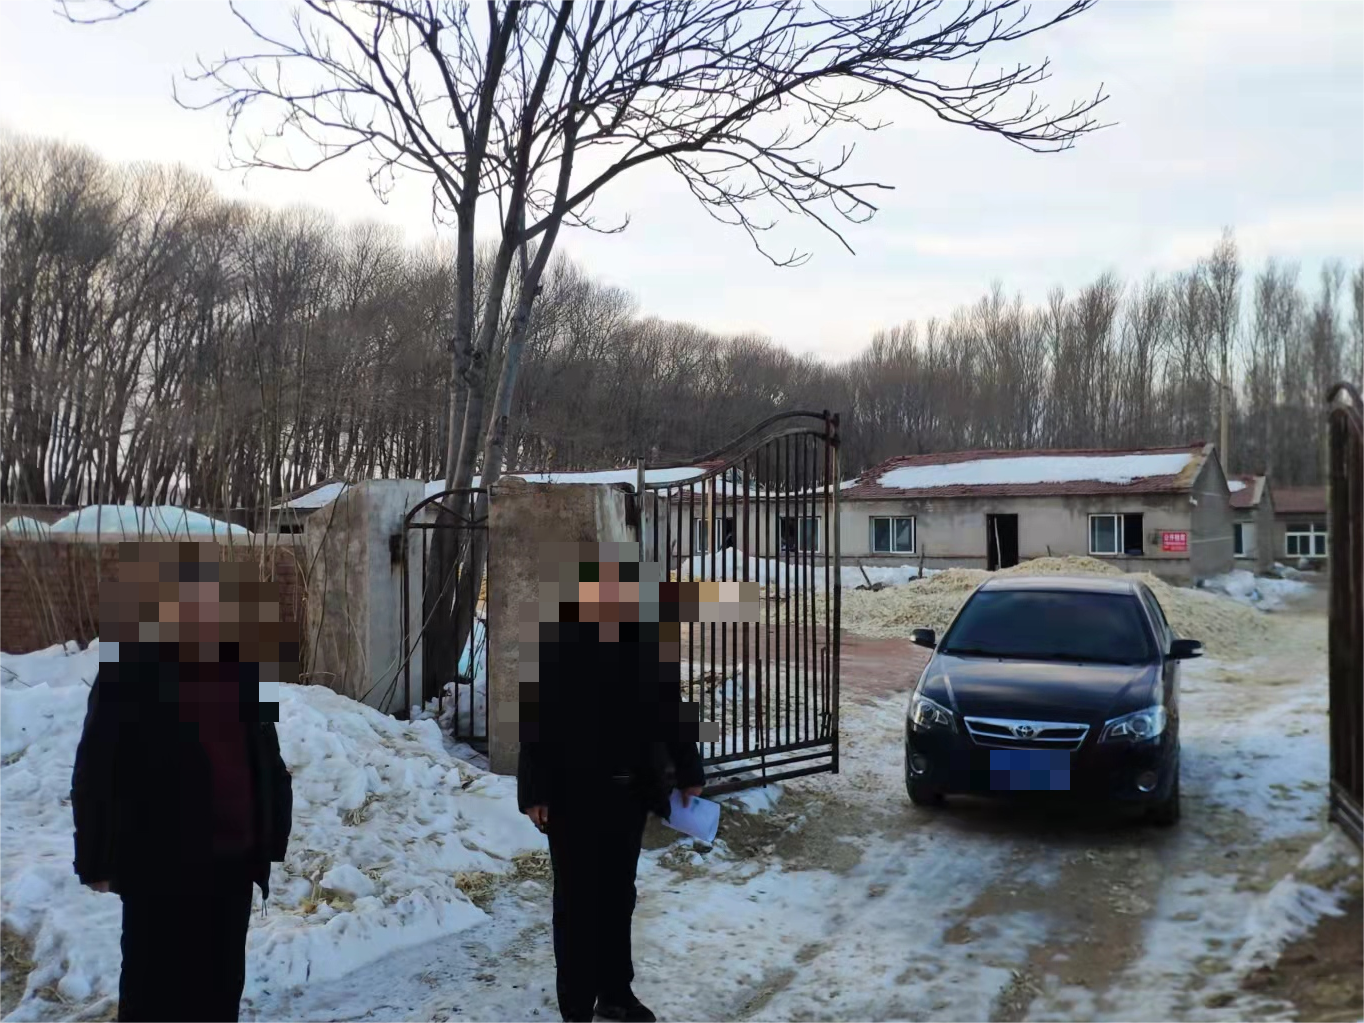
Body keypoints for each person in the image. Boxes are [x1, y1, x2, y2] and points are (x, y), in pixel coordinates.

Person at [71, 542, 295, 1023]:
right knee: (154, 994)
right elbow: (95, 767)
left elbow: (266, 751)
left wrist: (274, 825)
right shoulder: (129, 669)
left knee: (219, 991)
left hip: (232, 867)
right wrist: (95, 858)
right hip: (160, 867)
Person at [518, 548, 706, 1023]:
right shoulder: (558, 641)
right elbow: (535, 717)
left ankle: (616, 993)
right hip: (572, 795)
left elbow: (670, 705)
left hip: (628, 793)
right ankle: (576, 1007)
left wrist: (689, 770)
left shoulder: (646, 639)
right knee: (576, 903)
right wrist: (534, 789)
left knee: (619, 896)